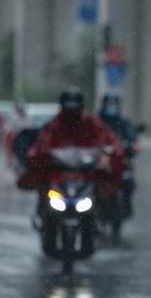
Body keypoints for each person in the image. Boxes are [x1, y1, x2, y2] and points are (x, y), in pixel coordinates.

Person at [17, 87, 128, 250]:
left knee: (105, 192)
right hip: (58, 176)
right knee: (44, 192)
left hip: (85, 176)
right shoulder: (53, 126)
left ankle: (99, 220)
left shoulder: (92, 123)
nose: (71, 113)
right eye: (68, 109)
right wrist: (38, 157)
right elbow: (40, 146)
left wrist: (107, 158)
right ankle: (42, 218)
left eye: (74, 109)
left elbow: (111, 143)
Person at [98, 92, 140, 218]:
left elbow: (133, 140)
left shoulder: (124, 122)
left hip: (120, 161)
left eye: (114, 104)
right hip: (100, 162)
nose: (111, 107)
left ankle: (127, 206)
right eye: (109, 104)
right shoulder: (96, 121)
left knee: (128, 181)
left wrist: (133, 146)